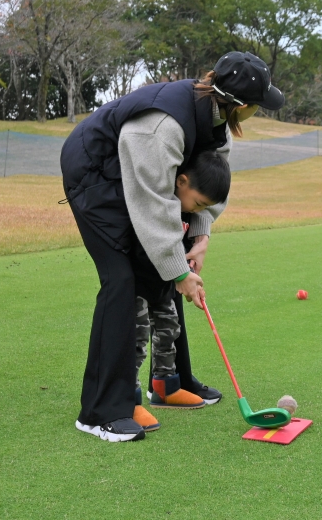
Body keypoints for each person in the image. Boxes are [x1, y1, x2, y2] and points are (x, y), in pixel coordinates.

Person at [61, 51, 284, 442]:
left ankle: (167, 381)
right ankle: (100, 411)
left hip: (147, 181)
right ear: (242, 105)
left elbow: (207, 189)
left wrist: (198, 237)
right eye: (259, 106)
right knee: (122, 280)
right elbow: (149, 199)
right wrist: (178, 269)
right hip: (96, 175)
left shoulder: (218, 125)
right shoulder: (160, 127)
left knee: (167, 264)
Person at [132, 151, 232, 433]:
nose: (199, 211)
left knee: (169, 327)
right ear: (181, 181)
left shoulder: (187, 208)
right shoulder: (161, 204)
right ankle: (128, 398)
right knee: (136, 337)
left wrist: (186, 269)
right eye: (199, 203)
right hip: (138, 279)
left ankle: (164, 388)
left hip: (165, 281)